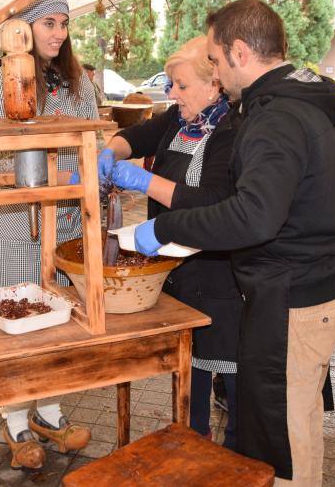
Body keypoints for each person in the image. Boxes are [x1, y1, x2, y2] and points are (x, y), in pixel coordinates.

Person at [130, 0, 335, 484]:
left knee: (283, 442)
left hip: (293, 298)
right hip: (319, 285)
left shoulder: (275, 119)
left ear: (238, 52)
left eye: (213, 59)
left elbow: (252, 217)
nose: (214, 71)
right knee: (300, 428)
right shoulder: (307, 99)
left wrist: (164, 229)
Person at [95, 36, 241, 449]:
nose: (170, 93)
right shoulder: (179, 119)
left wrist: (143, 181)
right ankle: (192, 445)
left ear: (214, 83)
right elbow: (134, 135)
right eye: (171, 85)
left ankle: (235, 458)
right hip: (176, 269)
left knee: (232, 374)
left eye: (180, 84)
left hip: (221, 275)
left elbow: (211, 202)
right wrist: (110, 152)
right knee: (187, 372)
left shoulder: (231, 133)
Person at [0, 0, 98, 471]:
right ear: (22, 30)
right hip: (15, 219)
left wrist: (77, 139)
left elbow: (93, 138)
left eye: (63, 24)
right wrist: (40, 130)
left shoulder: (78, 81)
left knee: (58, 319)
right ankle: (15, 421)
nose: (58, 34)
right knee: (19, 319)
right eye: (48, 24)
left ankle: (49, 413)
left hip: (64, 216)